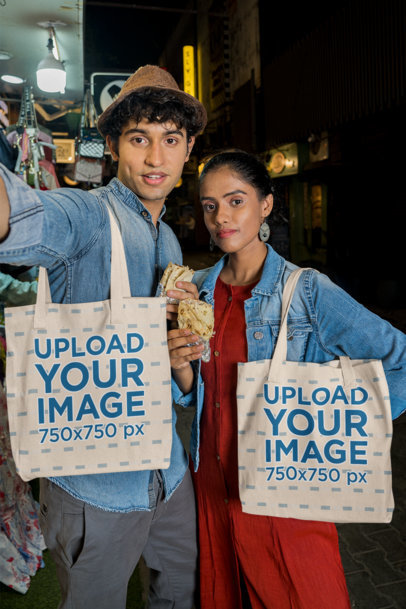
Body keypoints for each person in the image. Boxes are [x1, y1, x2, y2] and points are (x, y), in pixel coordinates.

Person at [0, 65, 207, 609]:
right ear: (115, 145)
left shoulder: (172, 247)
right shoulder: (88, 216)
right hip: (95, 487)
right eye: (139, 139)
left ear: (188, 151)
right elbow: (23, 215)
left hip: (168, 472)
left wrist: (181, 356)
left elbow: (181, 384)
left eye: (171, 140)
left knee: (179, 597)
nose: (156, 157)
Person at [167, 150, 406, 609]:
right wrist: (180, 368)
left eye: (236, 201)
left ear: (266, 205)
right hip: (214, 488)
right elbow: (201, 396)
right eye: (210, 205)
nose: (221, 217)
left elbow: (400, 361)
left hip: (285, 488)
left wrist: (341, 417)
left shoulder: (307, 291)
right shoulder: (195, 290)